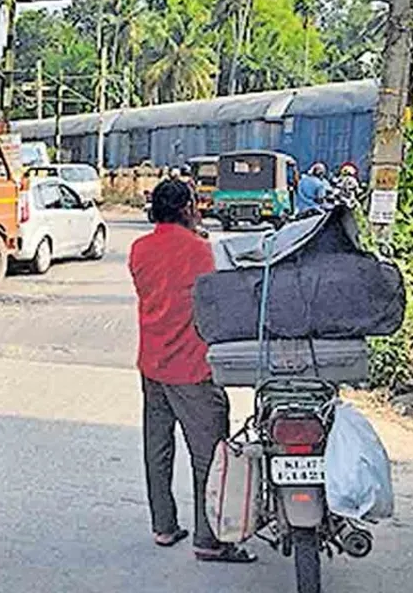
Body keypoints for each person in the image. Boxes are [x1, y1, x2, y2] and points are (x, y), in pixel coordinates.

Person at [129, 180, 255, 563]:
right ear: (187, 208)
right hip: (191, 367)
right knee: (209, 455)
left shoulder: (139, 249)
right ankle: (209, 538)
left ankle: (163, 526)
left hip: (151, 362)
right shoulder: (201, 251)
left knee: (158, 447)